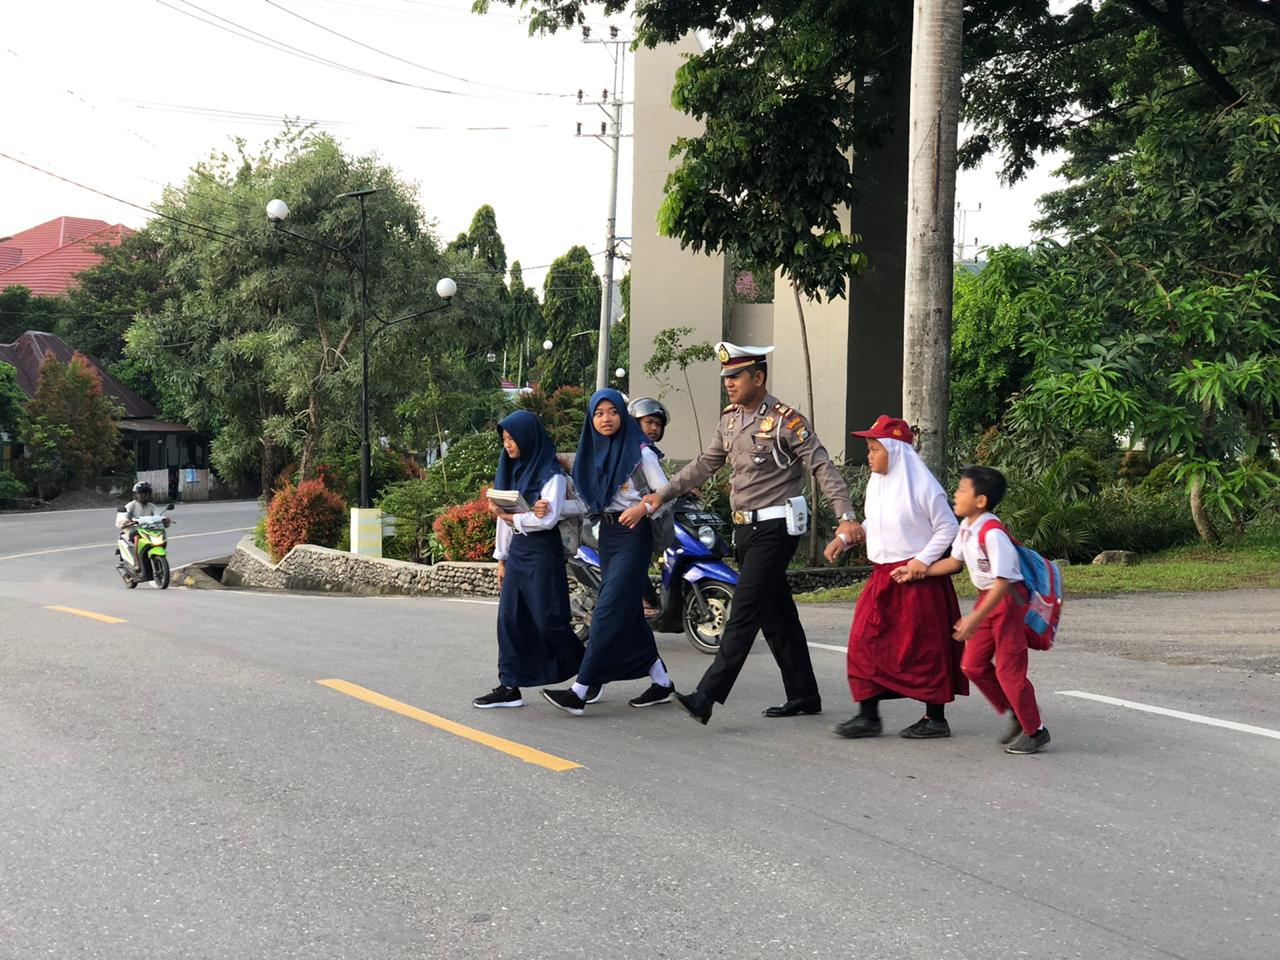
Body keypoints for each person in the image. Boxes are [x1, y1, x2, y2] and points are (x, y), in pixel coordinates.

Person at [639, 342, 863, 725]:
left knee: (743, 612)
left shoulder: (785, 421)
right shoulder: (729, 420)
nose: (729, 383)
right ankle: (804, 694)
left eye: (736, 376)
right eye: (726, 377)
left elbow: (821, 466)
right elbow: (704, 464)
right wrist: (661, 494)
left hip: (776, 528)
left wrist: (845, 516)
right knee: (778, 616)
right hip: (745, 529)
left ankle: (707, 696)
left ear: (758, 377)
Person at [827, 416, 965, 740]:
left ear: (895, 451)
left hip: (919, 581)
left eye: (875, 449)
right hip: (883, 576)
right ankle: (868, 715)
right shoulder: (877, 483)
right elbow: (873, 522)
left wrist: (921, 561)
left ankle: (935, 718)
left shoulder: (924, 486)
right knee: (864, 642)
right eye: (869, 448)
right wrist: (845, 539)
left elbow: (948, 528)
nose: (870, 456)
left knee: (925, 648)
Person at [541, 389, 676, 716]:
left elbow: (666, 495)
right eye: (598, 413)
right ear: (591, 418)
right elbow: (589, 505)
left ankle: (581, 689)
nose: (606, 419)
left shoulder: (639, 451)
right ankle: (661, 682)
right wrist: (550, 508)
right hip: (610, 537)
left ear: (622, 415)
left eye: (612, 412)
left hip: (635, 536)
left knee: (608, 608)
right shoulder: (593, 453)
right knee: (628, 614)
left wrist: (643, 509)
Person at [914, 465, 1051, 755]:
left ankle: (1036, 731)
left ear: (981, 501)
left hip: (1007, 602)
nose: (955, 494)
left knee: (1009, 671)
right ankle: (1016, 711)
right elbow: (954, 563)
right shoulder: (966, 527)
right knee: (972, 666)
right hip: (987, 600)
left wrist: (974, 619)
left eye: (962, 490)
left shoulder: (992, 532)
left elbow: (1004, 582)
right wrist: (918, 571)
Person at [473, 411, 584, 710]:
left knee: (549, 620)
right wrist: (501, 558)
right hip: (519, 552)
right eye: (505, 439)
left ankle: (589, 669)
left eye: (513, 439)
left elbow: (545, 521)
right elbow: (503, 521)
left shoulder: (552, 475)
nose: (508, 445)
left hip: (543, 553)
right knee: (509, 619)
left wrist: (511, 516)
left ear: (528, 437)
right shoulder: (511, 470)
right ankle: (509, 685)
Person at [115, 481, 168, 571]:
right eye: (140, 493)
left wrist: (164, 519)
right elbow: (122, 517)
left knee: (161, 536)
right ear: (136, 494)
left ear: (148, 494)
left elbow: (158, 514)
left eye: (145, 493)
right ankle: (137, 563)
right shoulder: (131, 505)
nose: (142, 496)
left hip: (149, 530)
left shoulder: (151, 506)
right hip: (133, 530)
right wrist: (126, 522)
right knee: (137, 539)